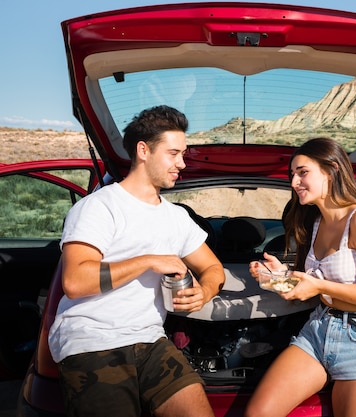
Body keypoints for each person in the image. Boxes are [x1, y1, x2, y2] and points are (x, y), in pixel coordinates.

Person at [48, 105, 225, 417]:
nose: (182, 164)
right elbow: (75, 282)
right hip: (91, 340)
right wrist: (146, 261)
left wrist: (206, 290)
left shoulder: (176, 217)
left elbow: (213, 268)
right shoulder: (99, 208)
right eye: (173, 154)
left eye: (183, 154)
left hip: (150, 339)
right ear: (144, 150)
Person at [246, 137, 356, 417]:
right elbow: (315, 285)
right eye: (292, 174)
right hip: (319, 329)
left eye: (303, 172)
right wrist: (279, 277)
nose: (294, 182)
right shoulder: (315, 223)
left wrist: (317, 285)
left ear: (331, 170)